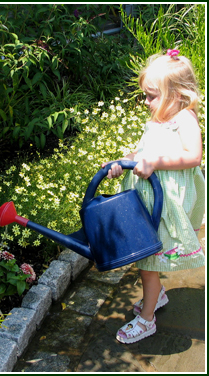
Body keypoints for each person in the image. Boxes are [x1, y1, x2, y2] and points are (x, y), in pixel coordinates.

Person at [102, 49, 205, 344]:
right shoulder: (156, 120)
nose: (146, 102)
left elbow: (194, 156)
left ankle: (147, 320)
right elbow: (143, 152)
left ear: (177, 95)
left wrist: (156, 162)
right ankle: (156, 294)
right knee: (146, 252)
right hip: (147, 199)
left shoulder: (184, 118)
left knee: (148, 258)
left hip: (167, 202)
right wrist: (124, 160)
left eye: (151, 95)